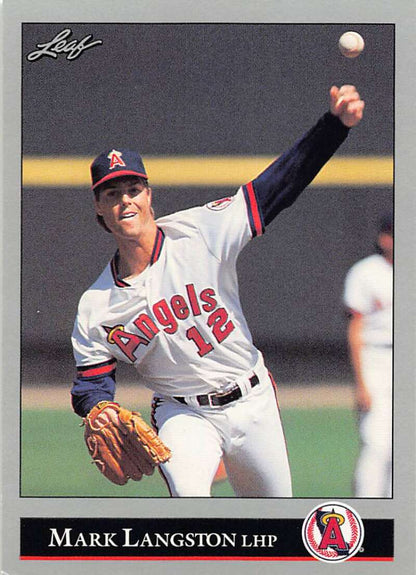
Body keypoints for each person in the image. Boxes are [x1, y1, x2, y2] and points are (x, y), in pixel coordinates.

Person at [71, 85, 364, 497]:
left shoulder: (199, 233)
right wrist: (96, 407)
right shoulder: (95, 306)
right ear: (99, 207)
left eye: (133, 189)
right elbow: (91, 383)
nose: (125, 201)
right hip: (182, 413)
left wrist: (334, 126)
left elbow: (277, 186)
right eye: (112, 193)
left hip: (252, 399)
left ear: (150, 195)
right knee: (189, 504)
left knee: (273, 526)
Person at [343, 213, 393, 497]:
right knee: (376, 444)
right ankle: (368, 512)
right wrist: (361, 382)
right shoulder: (366, 272)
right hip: (376, 359)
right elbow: (356, 329)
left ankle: (395, 521)